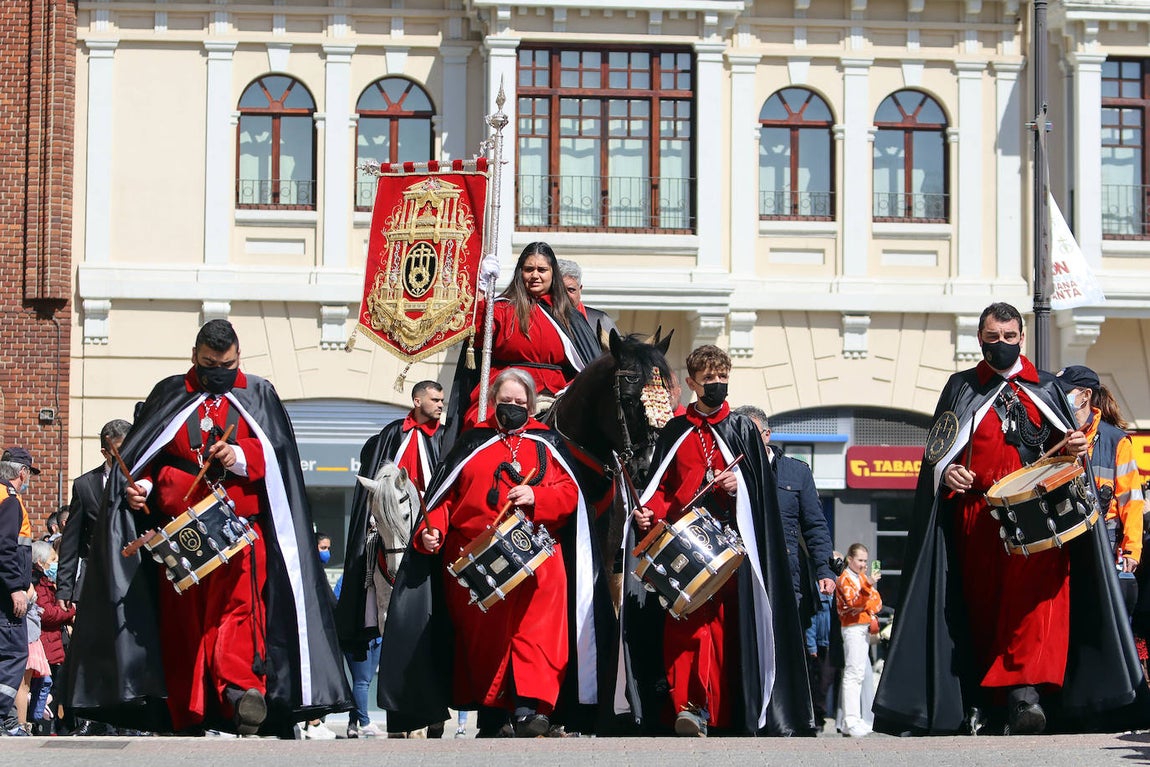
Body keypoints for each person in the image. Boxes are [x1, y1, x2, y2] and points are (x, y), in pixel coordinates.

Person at [65, 319, 351, 736]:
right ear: (194, 357)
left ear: (239, 356)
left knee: (239, 615)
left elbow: (278, 455)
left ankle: (240, 693)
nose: (218, 372)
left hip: (240, 536)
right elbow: (150, 456)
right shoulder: (170, 393)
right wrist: (142, 487)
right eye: (209, 364)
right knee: (183, 626)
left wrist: (238, 454)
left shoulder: (258, 394)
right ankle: (187, 711)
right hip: (178, 534)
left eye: (227, 364)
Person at [874, 302, 1147, 736]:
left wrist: (1076, 447)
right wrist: (948, 471)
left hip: (1040, 521)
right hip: (977, 519)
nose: (1000, 344)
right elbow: (937, 455)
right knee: (983, 610)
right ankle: (992, 703)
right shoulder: (961, 387)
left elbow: (1068, 449)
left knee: (1036, 608)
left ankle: (1026, 695)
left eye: (1008, 336)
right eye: (992, 337)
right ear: (980, 339)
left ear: (1022, 337)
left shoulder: (1047, 387)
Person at [379, 368, 612, 737]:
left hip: (538, 563)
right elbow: (444, 498)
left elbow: (571, 495)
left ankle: (530, 708)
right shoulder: (471, 441)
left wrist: (537, 495)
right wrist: (430, 531)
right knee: (485, 644)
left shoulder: (548, 443)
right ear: (493, 402)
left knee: (537, 635)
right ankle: (493, 714)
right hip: (477, 565)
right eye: (506, 401)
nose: (513, 407)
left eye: (520, 401)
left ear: (531, 406)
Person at [620, 346, 814, 737]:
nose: (717, 385)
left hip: (732, 547)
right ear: (692, 383)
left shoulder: (742, 429)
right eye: (709, 380)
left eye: (722, 378)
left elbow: (761, 490)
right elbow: (663, 488)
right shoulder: (675, 430)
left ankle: (727, 712)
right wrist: (647, 513)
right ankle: (690, 707)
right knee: (684, 628)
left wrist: (739, 485)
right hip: (684, 546)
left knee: (728, 630)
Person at [336, 380, 445, 738]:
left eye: (442, 399)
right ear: (417, 400)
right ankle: (367, 604)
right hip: (391, 525)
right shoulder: (391, 435)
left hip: (430, 526)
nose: (440, 404)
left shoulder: (444, 438)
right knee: (372, 548)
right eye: (434, 399)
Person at [733, 404, 835, 723]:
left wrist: (824, 570)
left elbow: (815, 525)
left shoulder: (796, 472)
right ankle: (746, 714)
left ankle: (788, 717)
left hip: (788, 576)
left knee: (786, 644)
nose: (743, 439)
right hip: (744, 572)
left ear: (767, 434)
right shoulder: (730, 472)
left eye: (750, 432)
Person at [451, 242, 602, 431]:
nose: (535, 275)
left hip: (557, 391)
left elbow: (586, 367)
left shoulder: (569, 315)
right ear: (520, 272)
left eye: (542, 270)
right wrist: (480, 290)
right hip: (506, 388)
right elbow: (476, 335)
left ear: (552, 273)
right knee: (479, 427)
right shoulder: (502, 308)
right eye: (529, 269)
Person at [1055, 365, 1144, 591]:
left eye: (1064, 391)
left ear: (1085, 396)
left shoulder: (1116, 441)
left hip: (1104, 545)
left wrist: (1132, 548)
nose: (1058, 397)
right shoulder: (1053, 434)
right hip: (1061, 544)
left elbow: (1131, 500)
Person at [56, 418, 132, 610]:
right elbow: (71, 541)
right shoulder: (84, 486)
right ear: (105, 453)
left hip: (134, 578)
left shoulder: (143, 479)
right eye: (119, 451)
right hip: (96, 580)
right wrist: (64, 588)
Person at [0, 448, 36, 737]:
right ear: (22, 472)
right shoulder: (10, 501)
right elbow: (6, 548)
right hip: (5, 595)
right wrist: (16, 588)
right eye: (29, 474)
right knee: (14, 653)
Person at [835, 543, 881, 738]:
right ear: (850, 559)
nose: (863, 564)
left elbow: (877, 602)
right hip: (852, 627)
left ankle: (853, 720)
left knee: (859, 673)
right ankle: (851, 720)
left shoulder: (860, 578)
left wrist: (864, 600)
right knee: (853, 673)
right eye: (860, 560)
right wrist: (867, 589)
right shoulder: (845, 578)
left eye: (865, 561)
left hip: (862, 626)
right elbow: (854, 602)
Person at [30, 541, 73, 736]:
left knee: (54, 689)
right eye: (53, 560)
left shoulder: (47, 583)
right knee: (46, 689)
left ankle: (52, 726)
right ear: (40, 562)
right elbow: (47, 613)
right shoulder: (38, 584)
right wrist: (71, 611)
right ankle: (44, 727)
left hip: (54, 642)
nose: (56, 564)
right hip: (47, 644)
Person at [557, 258, 619, 343]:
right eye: (558, 290)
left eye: (571, 290)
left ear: (580, 289)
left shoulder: (599, 321)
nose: (564, 296)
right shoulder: (541, 319)